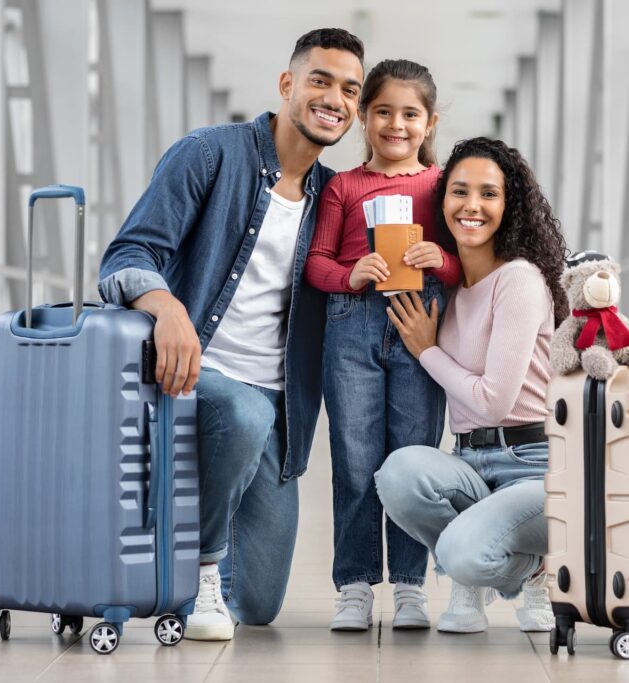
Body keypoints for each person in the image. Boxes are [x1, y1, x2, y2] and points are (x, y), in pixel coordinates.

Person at [97, 28, 365, 641]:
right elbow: (127, 254)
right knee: (243, 412)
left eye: (350, 90)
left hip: (280, 403)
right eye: (320, 80)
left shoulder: (333, 198)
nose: (335, 99)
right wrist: (167, 309)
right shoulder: (210, 154)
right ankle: (200, 569)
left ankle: (200, 553)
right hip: (194, 374)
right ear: (287, 84)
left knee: (260, 603)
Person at [375, 137, 567, 633]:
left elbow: (494, 401)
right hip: (469, 460)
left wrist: (427, 352)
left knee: (462, 552)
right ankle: (488, 568)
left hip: (534, 466)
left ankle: (534, 571)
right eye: (460, 192)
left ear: (509, 205)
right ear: (442, 203)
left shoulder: (519, 280)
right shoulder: (452, 291)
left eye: (489, 194)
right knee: (397, 474)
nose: (472, 206)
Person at [304, 59, 462, 631]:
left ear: (430, 122)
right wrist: (350, 274)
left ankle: (410, 587)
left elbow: (464, 266)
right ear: (364, 119)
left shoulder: (442, 187)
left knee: (413, 458)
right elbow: (316, 263)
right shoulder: (343, 187)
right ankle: (354, 585)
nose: (397, 125)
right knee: (354, 460)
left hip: (421, 324)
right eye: (384, 113)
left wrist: (439, 259)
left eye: (410, 114)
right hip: (353, 326)